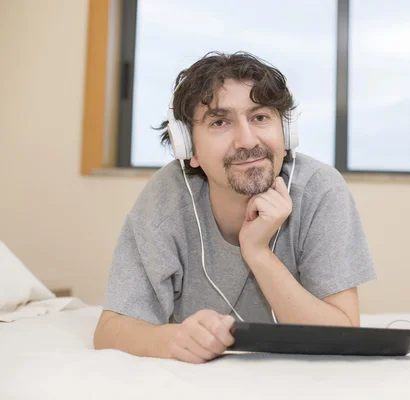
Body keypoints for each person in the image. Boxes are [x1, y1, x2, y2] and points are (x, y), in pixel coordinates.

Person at [93, 51, 376, 364]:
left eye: (260, 117)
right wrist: (171, 339)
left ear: (286, 134)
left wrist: (258, 253)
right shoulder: (168, 195)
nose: (246, 140)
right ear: (187, 147)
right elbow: (109, 331)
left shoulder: (319, 190)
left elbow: (344, 335)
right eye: (219, 122)